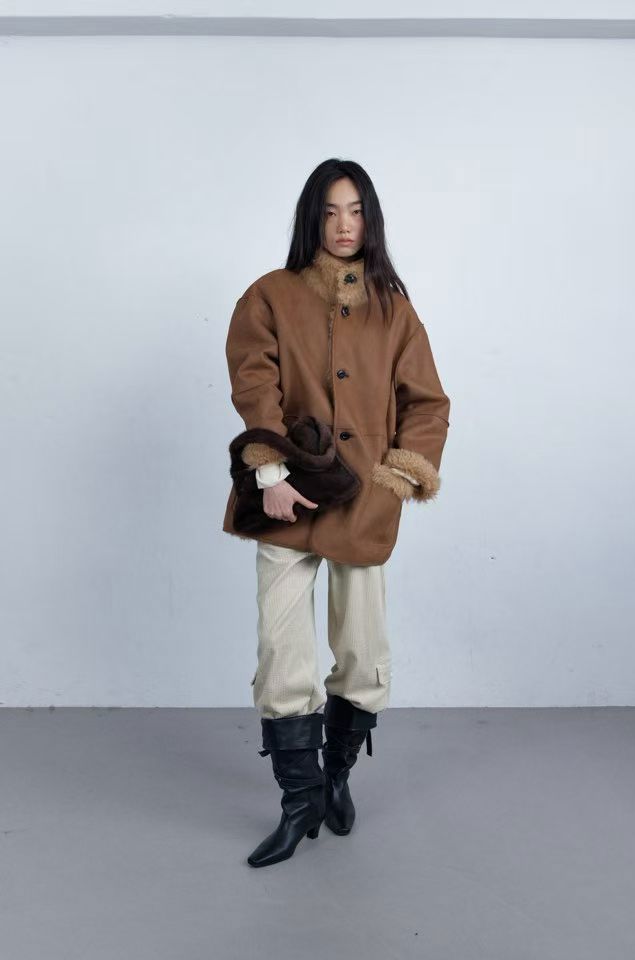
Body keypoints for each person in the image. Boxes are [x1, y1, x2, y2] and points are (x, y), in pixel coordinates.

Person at [222, 158, 451, 867]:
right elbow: (253, 382)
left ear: (370, 218)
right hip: (287, 499)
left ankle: (336, 778)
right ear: (311, 218)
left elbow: (427, 405)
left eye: (355, 211)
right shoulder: (270, 295)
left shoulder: (394, 309)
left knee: (363, 656)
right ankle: (299, 803)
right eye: (329, 211)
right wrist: (270, 472)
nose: (344, 225)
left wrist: (393, 481)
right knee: (282, 654)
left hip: (364, 507)